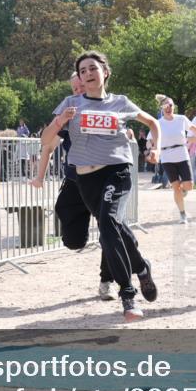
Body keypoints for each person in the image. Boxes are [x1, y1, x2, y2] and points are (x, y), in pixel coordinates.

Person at [40, 50, 162, 321]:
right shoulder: (71, 103)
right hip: (85, 178)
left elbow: (153, 122)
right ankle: (141, 267)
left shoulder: (120, 102)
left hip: (117, 171)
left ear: (105, 72)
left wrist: (157, 149)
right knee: (113, 226)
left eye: (92, 68)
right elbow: (45, 140)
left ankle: (128, 296)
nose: (87, 74)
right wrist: (61, 121)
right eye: (82, 71)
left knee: (107, 224)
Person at [33, 71, 140, 302]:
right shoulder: (69, 113)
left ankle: (107, 281)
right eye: (75, 89)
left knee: (108, 230)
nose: (80, 92)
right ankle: (120, 243)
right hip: (75, 181)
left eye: (82, 87)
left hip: (103, 178)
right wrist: (39, 177)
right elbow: (48, 146)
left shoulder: (107, 108)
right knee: (73, 240)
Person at [149, 96, 196, 224]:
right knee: (176, 188)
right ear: (162, 108)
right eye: (166, 106)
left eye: (171, 105)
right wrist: (152, 149)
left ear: (174, 107)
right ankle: (182, 214)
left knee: (189, 186)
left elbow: (192, 128)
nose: (169, 108)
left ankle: (183, 190)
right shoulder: (158, 123)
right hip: (167, 156)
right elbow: (150, 139)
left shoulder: (181, 119)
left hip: (182, 154)